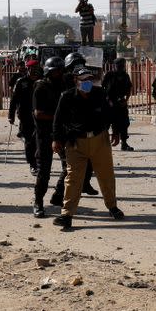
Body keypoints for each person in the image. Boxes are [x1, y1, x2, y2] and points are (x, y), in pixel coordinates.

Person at [51, 67, 125, 231]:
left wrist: (117, 132)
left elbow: (113, 114)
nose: (87, 83)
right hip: (76, 142)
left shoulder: (100, 94)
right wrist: (56, 139)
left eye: (89, 79)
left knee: (106, 175)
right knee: (73, 179)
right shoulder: (67, 97)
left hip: (100, 139)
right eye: (83, 80)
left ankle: (112, 207)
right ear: (75, 81)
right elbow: (58, 120)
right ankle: (67, 215)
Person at [32, 56, 67, 218]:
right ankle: (38, 202)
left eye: (61, 70)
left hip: (61, 132)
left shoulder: (64, 85)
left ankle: (58, 195)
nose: (59, 73)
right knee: (44, 171)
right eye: (56, 71)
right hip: (45, 133)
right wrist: (58, 117)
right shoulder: (41, 87)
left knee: (70, 167)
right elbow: (38, 114)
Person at [63, 52, 99, 196]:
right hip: (70, 125)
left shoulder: (87, 78)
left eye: (80, 63)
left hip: (86, 124)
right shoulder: (65, 80)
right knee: (69, 166)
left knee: (89, 159)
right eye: (75, 64)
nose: (79, 66)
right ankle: (60, 195)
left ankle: (85, 184)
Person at [9, 59, 41, 175]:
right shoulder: (21, 82)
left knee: (39, 141)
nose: (34, 71)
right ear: (28, 69)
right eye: (32, 69)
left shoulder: (42, 81)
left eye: (36, 69)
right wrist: (11, 116)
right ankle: (32, 164)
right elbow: (13, 100)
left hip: (40, 116)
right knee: (29, 141)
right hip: (25, 116)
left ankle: (38, 163)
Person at [102, 57, 134, 151]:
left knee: (124, 123)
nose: (120, 67)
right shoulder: (109, 75)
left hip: (121, 103)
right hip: (109, 103)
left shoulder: (125, 76)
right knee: (106, 125)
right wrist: (108, 100)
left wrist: (126, 100)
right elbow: (103, 88)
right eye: (118, 65)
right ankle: (102, 144)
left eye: (122, 66)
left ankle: (124, 143)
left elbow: (129, 89)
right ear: (114, 66)